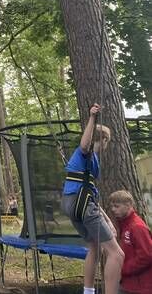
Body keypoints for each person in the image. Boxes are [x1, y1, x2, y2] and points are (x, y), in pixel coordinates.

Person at [61, 103, 124, 294]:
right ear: (103, 140)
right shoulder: (85, 153)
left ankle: (88, 291)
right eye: (106, 141)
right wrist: (92, 117)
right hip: (81, 204)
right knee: (117, 254)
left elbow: (90, 196)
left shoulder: (92, 162)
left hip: (72, 204)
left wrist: (107, 220)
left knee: (95, 247)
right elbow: (84, 144)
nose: (106, 146)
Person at [109, 190, 152, 294]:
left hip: (140, 287)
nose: (113, 209)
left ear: (128, 205)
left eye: (116, 206)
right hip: (127, 284)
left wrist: (123, 269)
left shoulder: (137, 227)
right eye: (112, 206)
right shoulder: (124, 225)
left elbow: (147, 255)